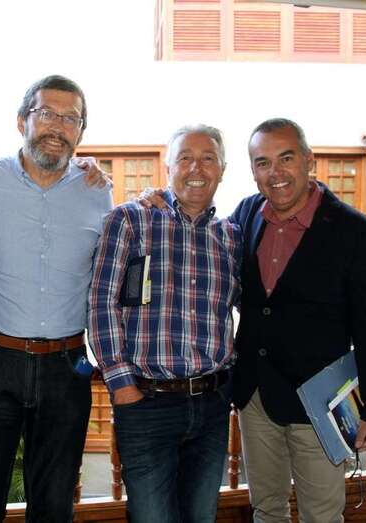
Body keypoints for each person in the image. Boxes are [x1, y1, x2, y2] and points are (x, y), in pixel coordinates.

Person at [0, 74, 113, 523]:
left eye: (70, 118)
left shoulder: (97, 190)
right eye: (46, 113)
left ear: (81, 133)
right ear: (22, 119)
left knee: (55, 507)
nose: (57, 126)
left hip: (66, 368)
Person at [231, 118, 366, 522]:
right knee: (266, 509)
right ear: (253, 171)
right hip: (255, 397)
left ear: (309, 161)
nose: (276, 173)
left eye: (286, 158)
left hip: (319, 402)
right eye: (263, 163)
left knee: (321, 515)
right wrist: (158, 199)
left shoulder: (355, 232)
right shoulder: (246, 213)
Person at [88, 124, 242, 523]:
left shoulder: (231, 237)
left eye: (208, 158)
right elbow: (101, 303)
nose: (197, 167)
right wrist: (121, 384)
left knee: (201, 516)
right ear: (168, 165)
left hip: (211, 405)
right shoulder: (129, 220)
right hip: (146, 403)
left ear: (222, 169)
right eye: (186, 157)